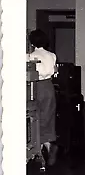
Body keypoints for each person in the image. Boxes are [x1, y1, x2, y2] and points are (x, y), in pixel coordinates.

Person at [28, 29, 58, 166]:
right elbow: (55, 71)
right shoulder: (52, 55)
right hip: (49, 87)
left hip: (35, 86)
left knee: (35, 117)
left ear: (32, 42)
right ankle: (48, 146)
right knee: (48, 117)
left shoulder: (29, 56)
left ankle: (39, 151)